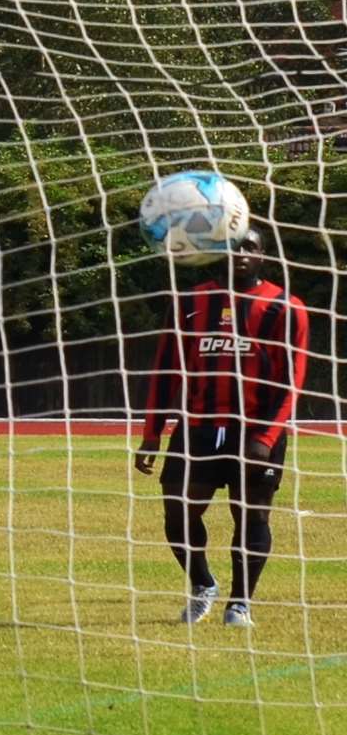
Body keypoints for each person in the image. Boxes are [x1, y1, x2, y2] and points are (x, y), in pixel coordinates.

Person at [135, 228, 309, 628]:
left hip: (255, 432)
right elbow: (166, 369)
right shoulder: (191, 301)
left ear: (263, 255)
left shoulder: (286, 307)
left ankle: (240, 605)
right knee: (177, 512)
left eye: (250, 247)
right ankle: (202, 584)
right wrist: (151, 432)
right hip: (197, 427)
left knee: (251, 517)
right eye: (233, 246)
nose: (241, 253)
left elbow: (292, 381)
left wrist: (266, 437)